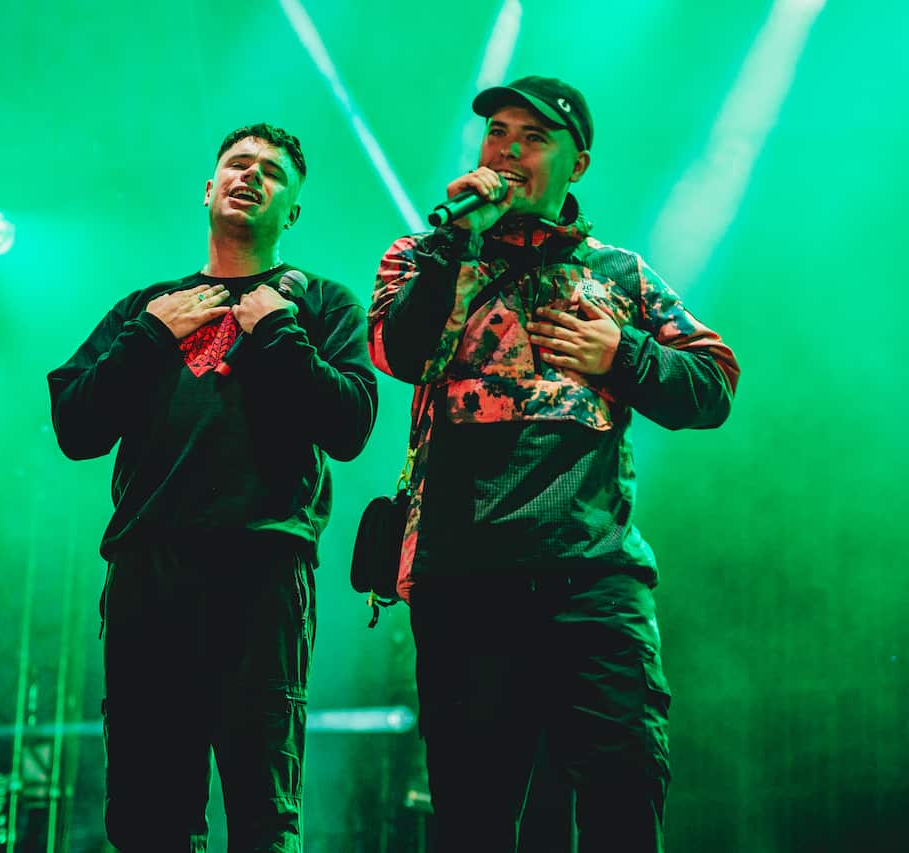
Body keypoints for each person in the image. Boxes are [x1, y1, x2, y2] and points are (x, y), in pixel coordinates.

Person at [368, 77, 740, 852]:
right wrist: (458, 242)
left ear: (579, 163)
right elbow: (397, 351)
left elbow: (713, 383)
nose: (506, 148)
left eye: (532, 136)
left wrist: (624, 351)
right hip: (465, 582)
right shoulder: (422, 253)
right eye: (497, 131)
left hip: (593, 582)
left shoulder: (620, 275)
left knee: (623, 798)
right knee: (474, 817)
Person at [47, 122, 378, 852]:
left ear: (292, 210)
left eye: (271, 172)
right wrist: (148, 337)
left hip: (261, 575)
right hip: (149, 576)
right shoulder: (149, 307)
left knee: (263, 810)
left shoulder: (319, 303)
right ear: (208, 188)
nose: (250, 176)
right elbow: (75, 427)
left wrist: (280, 333)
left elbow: (353, 425)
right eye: (237, 163)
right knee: (146, 815)